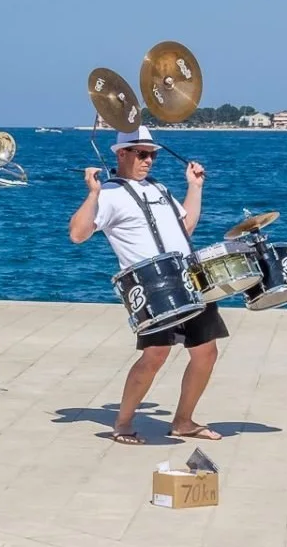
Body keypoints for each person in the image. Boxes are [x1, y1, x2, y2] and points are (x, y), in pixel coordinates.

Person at [68, 126, 224, 445]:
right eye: (142, 154)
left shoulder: (159, 189)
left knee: (206, 352)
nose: (149, 160)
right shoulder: (110, 194)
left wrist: (194, 188)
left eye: (152, 154)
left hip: (188, 276)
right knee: (155, 354)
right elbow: (78, 233)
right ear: (121, 154)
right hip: (152, 284)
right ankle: (123, 423)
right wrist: (93, 194)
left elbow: (186, 227)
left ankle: (182, 421)